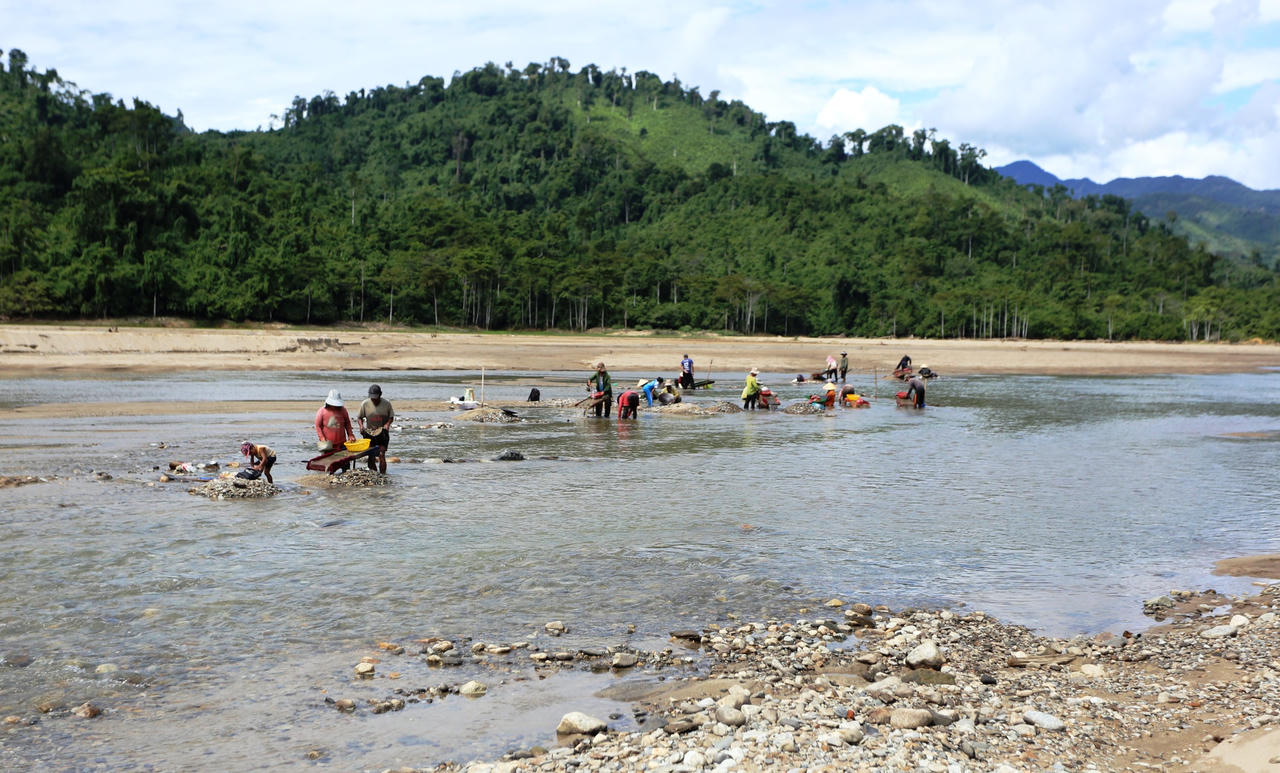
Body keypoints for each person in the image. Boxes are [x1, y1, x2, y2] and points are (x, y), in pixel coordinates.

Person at [357, 384, 394, 474]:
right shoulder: (365, 404)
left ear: (380, 394)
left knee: (382, 454)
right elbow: (359, 418)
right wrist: (361, 426)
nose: (374, 399)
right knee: (371, 455)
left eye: (375, 397)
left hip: (382, 433)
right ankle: (374, 474)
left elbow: (391, 417)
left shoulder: (386, 404)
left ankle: (383, 475)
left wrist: (387, 424)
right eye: (372, 397)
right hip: (370, 433)